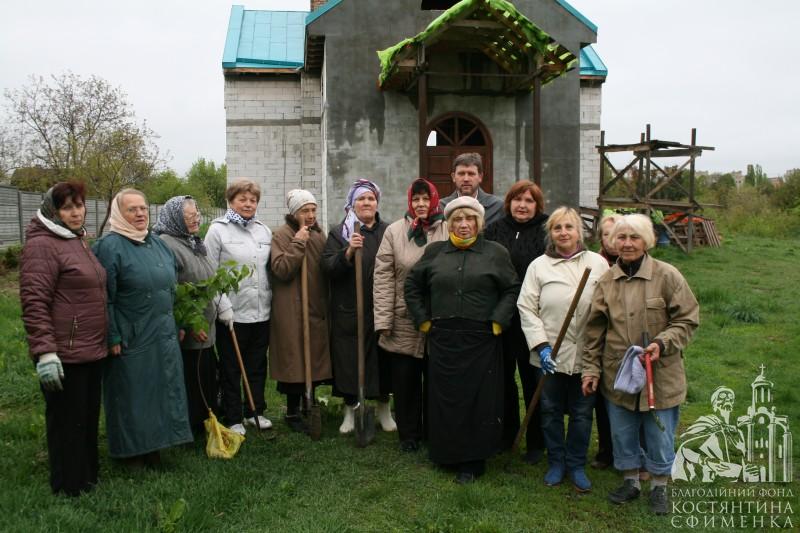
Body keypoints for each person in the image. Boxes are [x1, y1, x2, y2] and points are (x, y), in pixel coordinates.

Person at [581, 214, 699, 515]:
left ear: (646, 241)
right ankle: (631, 481)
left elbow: (687, 319)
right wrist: (591, 369)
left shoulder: (667, 275)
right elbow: (594, 331)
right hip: (617, 372)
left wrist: (663, 342)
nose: (627, 243)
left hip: (660, 373)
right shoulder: (607, 281)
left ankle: (659, 486)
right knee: (622, 431)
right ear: (612, 242)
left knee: (659, 432)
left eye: (634, 237)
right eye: (621, 237)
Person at [405, 196, 519, 484]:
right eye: (457, 219)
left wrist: (498, 320)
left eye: (469, 219)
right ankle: (445, 453)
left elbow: (511, 289)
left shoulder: (495, 252)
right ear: (449, 223)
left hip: (482, 338)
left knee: (477, 399)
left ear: (479, 223)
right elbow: (413, 285)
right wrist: (423, 319)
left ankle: (472, 459)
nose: (463, 224)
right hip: (443, 337)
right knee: (446, 397)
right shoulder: (435, 252)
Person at [93, 189, 193, 466]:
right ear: (119, 213)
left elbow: (172, 289)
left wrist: (179, 322)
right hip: (132, 333)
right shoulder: (109, 247)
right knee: (133, 391)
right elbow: (103, 297)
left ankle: (157, 445)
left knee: (160, 388)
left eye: (143, 208)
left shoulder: (156, 243)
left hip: (162, 330)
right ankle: (131, 451)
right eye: (132, 209)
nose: (140, 214)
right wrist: (112, 334)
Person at [20, 182, 108, 496]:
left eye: (79, 205)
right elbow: (34, 302)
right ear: (53, 211)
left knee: (86, 417)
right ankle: (68, 485)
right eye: (67, 207)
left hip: (91, 348)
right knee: (67, 421)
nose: (76, 212)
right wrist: (45, 352)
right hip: (64, 352)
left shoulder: (76, 240)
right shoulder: (42, 245)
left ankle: (87, 478)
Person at [517, 207, 609, 492]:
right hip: (549, 355)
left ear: (579, 231)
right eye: (557, 228)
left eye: (569, 227)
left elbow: (608, 306)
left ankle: (576, 464)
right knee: (550, 410)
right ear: (551, 233)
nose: (563, 232)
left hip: (587, 355)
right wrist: (542, 346)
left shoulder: (597, 264)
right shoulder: (539, 266)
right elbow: (526, 307)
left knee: (582, 413)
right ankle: (556, 462)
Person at [373, 178, 448, 452]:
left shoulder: (448, 228)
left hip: (438, 319)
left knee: (436, 380)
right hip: (403, 319)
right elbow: (383, 278)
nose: (421, 204)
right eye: (416, 199)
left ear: (434, 200)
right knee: (405, 382)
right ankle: (409, 435)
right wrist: (383, 320)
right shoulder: (394, 232)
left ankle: (434, 430)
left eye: (426, 199)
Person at [152, 195, 234, 433]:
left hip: (204, 323)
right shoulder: (167, 244)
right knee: (192, 375)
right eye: (189, 216)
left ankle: (206, 418)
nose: (196, 219)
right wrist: (188, 324)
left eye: (197, 214)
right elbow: (171, 290)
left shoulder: (192, 241)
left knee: (206, 373)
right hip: (188, 327)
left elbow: (208, 274)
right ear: (176, 218)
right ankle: (192, 424)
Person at [323, 179, 395, 433]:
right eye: (361, 199)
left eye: (371, 199)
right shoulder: (339, 233)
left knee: (384, 359)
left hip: (380, 308)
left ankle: (384, 410)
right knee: (349, 360)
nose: (366, 203)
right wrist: (348, 253)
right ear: (352, 204)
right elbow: (327, 267)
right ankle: (350, 411)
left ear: (377, 203)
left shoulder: (388, 231)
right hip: (349, 309)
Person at [484, 180, 549, 463]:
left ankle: (536, 441)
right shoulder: (494, 230)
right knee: (504, 381)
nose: (522, 205)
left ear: (538, 205)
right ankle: (505, 435)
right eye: (517, 200)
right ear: (508, 202)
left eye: (529, 201)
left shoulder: (547, 230)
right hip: (503, 316)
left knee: (533, 380)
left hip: (534, 317)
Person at [205, 179, 273, 436]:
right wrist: (222, 305)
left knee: (257, 365)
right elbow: (210, 271)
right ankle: (233, 416)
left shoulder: (263, 231)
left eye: (252, 200)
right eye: (242, 199)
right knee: (232, 367)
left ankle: (255, 411)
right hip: (232, 313)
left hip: (261, 310)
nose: (248, 204)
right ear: (231, 201)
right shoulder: (217, 231)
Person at [269, 189, 332, 433]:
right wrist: (298, 242)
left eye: (314, 209)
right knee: (294, 359)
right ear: (295, 213)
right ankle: (293, 410)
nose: (311, 215)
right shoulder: (282, 235)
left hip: (315, 303)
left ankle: (310, 402)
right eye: (305, 210)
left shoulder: (318, 234)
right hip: (291, 308)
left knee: (313, 354)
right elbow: (281, 269)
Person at [591, 212, 620, 469]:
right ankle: (606, 450)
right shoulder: (595, 264)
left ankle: (635, 450)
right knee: (602, 397)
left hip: (627, 339)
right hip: (601, 339)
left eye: (617, 235)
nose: (612, 240)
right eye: (607, 235)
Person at [440, 152, 504, 226]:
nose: (466, 179)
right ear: (453, 177)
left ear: (480, 177)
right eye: (461, 174)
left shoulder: (497, 206)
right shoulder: (441, 207)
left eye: (471, 174)